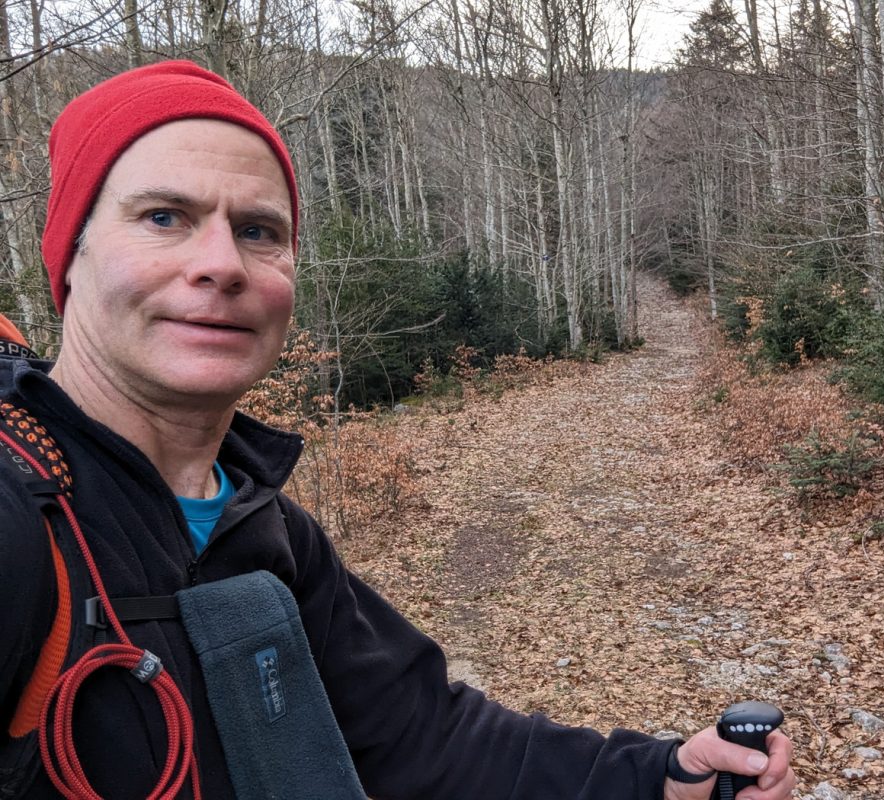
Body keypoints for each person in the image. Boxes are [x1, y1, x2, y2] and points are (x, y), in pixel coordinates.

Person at [0, 61, 796, 799]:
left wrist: (656, 778)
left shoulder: (265, 529)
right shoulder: (17, 513)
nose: (222, 263)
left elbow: (421, 738)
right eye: (164, 216)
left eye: (258, 231)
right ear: (68, 257)